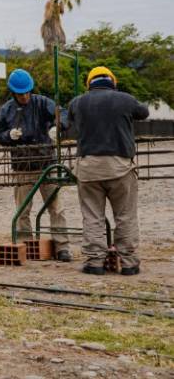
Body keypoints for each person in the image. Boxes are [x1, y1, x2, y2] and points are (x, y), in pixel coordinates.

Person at [68, 67, 149, 276]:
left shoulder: (77, 102)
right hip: (119, 167)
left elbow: (66, 122)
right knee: (125, 216)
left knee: (92, 216)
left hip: (88, 168)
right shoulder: (125, 99)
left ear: (89, 83)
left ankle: (95, 262)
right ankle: (129, 263)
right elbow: (144, 112)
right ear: (112, 81)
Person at [0, 69, 72, 261]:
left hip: (47, 164)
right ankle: (26, 245)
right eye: (21, 93)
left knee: (56, 207)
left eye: (27, 92)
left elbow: (62, 113)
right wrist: (8, 136)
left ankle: (62, 247)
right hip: (22, 166)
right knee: (22, 210)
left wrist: (58, 126)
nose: (25, 96)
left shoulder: (43, 102)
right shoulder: (5, 111)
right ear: (13, 93)